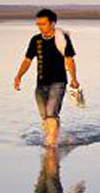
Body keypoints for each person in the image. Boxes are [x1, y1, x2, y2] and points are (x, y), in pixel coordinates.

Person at [13, 8, 79, 147]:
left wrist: (74, 79)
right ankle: (54, 139)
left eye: (43, 24)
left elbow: (69, 60)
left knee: (51, 114)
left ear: (52, 23)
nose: (40, 27)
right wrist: (19, 76)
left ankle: (51, 146)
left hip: (58, 82)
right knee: (45, 117)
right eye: (38, 24)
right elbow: (27, 60)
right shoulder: (36, 40)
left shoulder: (62, 39)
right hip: (41, 83)